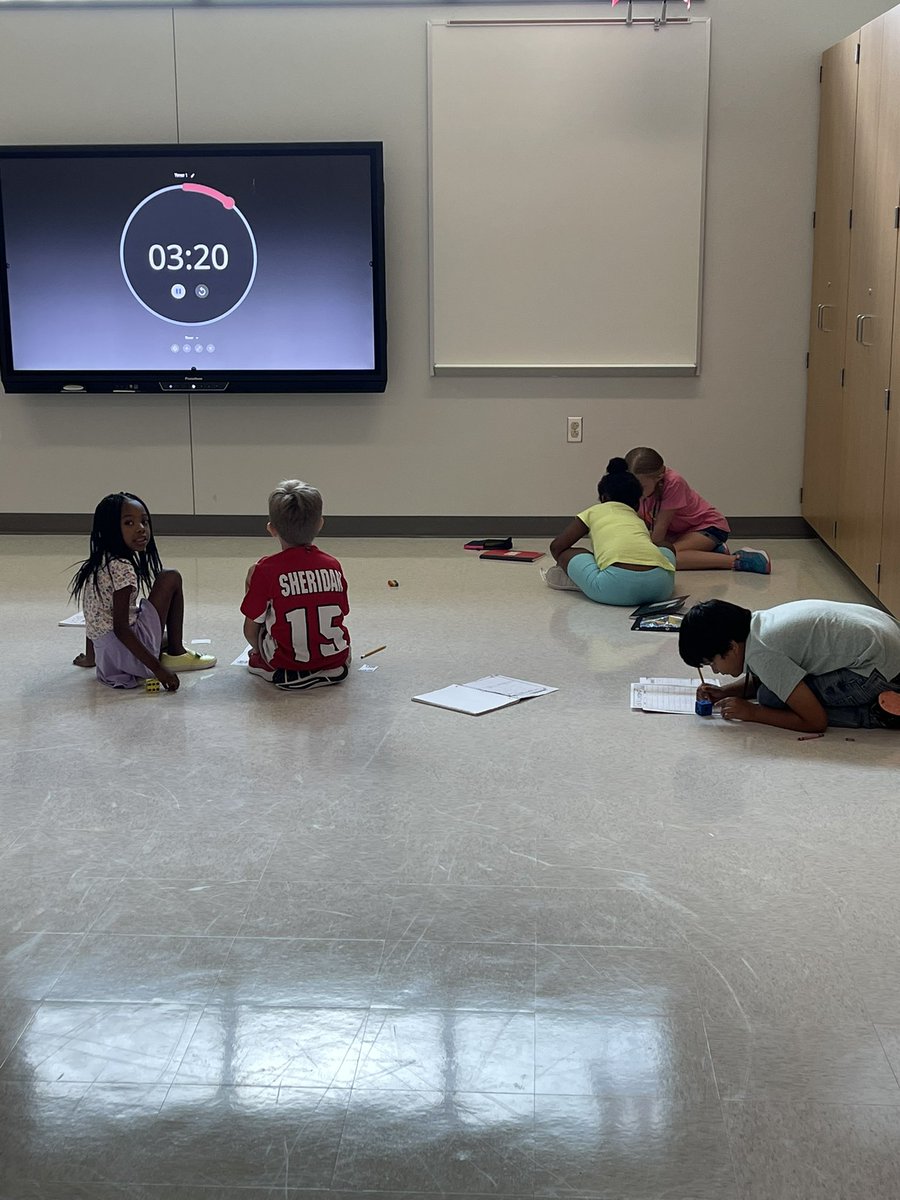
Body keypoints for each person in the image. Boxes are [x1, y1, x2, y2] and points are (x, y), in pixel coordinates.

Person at [678, 598, 900, 732]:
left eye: (712, 662)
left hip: (880, 668)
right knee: (772, 690)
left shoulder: (763, 653)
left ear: (732, 647)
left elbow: (815, 721)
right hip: (888, 639)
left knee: (770, 699)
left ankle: (875, 715)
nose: (716, 670)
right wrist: (725, 692)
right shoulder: (758, 625)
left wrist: (753, 712)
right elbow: (777, 676)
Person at [70, 492, 216, 691]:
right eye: (129, 523)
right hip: (126, 655)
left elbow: (93, 613)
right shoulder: (122, 568)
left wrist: (91, 658)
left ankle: (165, 646)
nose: (141, 529)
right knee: (170, 577)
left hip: (108, 661)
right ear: (110, 528)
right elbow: (121, 628)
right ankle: (177, 652)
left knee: (163, 636)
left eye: (144, 522)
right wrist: (159, 670)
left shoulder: (96, 563)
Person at [241, 479, 351, 691]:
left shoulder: (264, 570)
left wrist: (257, 649)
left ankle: (267, 663)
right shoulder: (333, 565)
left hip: (286, 663)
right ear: (320, 524)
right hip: (334, 658)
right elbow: (342, 611)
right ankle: (328, 666)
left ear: (272, 529)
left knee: (253, 579)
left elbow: (249, 631)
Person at [543, 457, 677, 606]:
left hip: (613, 589)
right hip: (661, 589)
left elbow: (557, 546)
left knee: (570, 552)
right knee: (665, 546)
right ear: (637, 503)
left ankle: (577, 580)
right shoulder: (637, 518)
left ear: (603, 497)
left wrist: (567, 565)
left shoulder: (593, 512)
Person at [624, 446, 771, 574]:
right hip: (679, 532)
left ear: (659, 477)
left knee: (666, 557)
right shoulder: (639, 489)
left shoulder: (673, 482)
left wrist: (645, 555)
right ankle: (709, 552)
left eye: (640, 487)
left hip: (709, 527)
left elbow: (660, 527)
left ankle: (739, 560)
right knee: (654, 550)